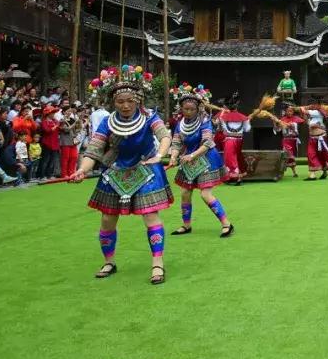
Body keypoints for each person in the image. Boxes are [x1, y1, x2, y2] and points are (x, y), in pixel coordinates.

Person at [70, 66, 173, 285]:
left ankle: (157, 263)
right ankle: (109, 261)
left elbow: (164, 136)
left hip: (145, 168)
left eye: (130, 101)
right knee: (107, 219)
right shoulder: (108, 122)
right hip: (115, 171)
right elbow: (94, 150)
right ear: (113, 103)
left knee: (150, 216)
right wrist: (82, 170)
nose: (125, 106)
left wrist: (160, 155)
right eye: (120, 102)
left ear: (138, 100)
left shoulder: (149, 117)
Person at [167, 85, 232, 238]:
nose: (188, 112)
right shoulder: (180, 123)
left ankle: (226, 223)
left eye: (191, 109)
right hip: (189, 158)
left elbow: (208, 142)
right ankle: (186, 225)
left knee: (205, 194)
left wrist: (192, 156)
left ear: (198, 109)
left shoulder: (205, 121)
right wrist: (173, 157)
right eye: (185, 109)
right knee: (184, 192)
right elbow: (176, 143)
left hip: (207, 158)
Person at [299, 100, 328, 180]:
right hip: (312, 138)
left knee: (320, 155)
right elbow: (306, 120)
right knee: (311, 154)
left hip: (320, 138)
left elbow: (303, 110)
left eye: (314, 104)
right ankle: (319, 173)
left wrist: (303, 107)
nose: (312, 105)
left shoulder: (318, 112)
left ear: (318, 105)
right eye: (312, 104)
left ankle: (315, 174)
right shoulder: (314, 116)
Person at [217, 96, 251, 185]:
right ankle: (237, 176)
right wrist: (247, 121)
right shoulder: (244, 117)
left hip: (229, 140)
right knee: (237, 156)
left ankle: (236, 177)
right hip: (239, 140)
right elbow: (247, 129)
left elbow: (223, 129)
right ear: (237, 107)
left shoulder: (223, 117)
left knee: (230, 158)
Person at [274, 104, 303, 178]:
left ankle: (293, 172)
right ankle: (282, 172)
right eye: (288, 111)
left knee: (291, 157)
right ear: (285, 112)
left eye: (291, 111)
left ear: (293, 112)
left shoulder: (296, 119)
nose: (290, 112)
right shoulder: (282, 120)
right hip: (286, 140)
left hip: (294, 140)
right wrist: (275, 123)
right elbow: (277, 130)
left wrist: (291, 126)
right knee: (287, 156)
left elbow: (297, 131)